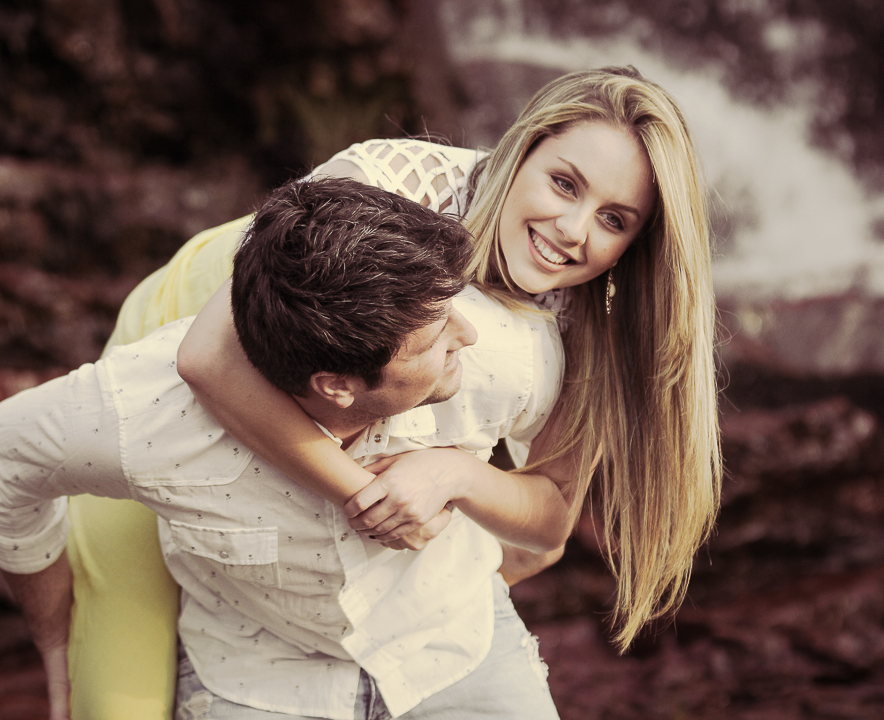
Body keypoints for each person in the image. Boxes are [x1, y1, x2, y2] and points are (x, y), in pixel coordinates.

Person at [65, 65, 723, 716]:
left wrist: (450, 478)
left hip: (344, 404)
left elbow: (547, 525)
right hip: (188, 332)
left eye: (613, 219)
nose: (574, 230)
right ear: (520, 150)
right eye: (563, 183)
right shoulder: (391, 183)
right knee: (117, 677)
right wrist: (366, 500)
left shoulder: (593, 314)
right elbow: (207, 359)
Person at [0, 177, 567, 720]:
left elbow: (549, 523)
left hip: (456, 647)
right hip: (255, 679)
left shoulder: (507, 353)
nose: (469, 333)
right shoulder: (147, 416)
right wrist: (52, 636)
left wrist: (461, 474)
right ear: (338, 386)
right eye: (439, 338)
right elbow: (2, 450)